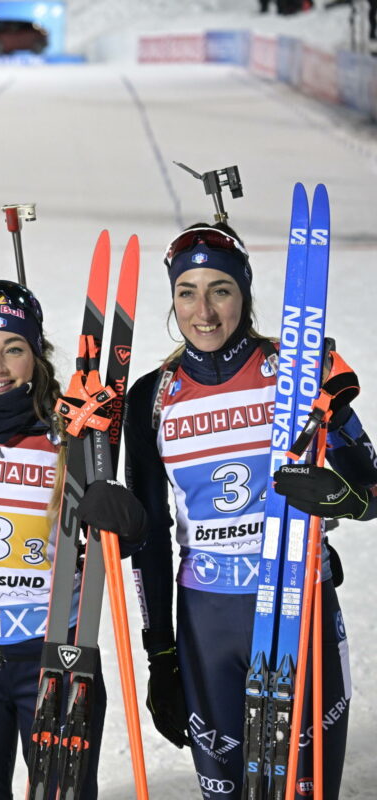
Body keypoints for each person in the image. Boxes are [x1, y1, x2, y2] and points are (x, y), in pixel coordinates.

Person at [125, 221, 377, 799]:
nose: (204, 310)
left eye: (221, 289)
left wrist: (345, 496)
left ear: (245, 292)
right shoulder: (152, 398)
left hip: (299, 606)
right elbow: (150, 537)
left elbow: (372, 488)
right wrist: (160, 654)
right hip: (207, 623)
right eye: (187, 291)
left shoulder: (298, 371)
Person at [0, 279, 146, 799]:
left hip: (57, 652)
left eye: (14, 349)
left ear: (36, 355)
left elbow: (114, 539)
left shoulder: (73, 429)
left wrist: (128, 522)